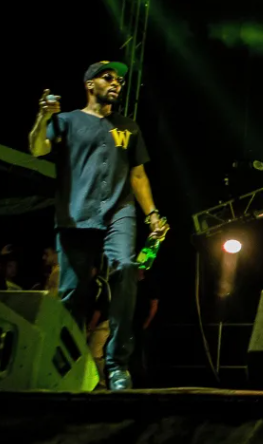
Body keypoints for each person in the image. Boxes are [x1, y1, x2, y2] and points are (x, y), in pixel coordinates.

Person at [28, 61, 165, 391]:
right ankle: (70, 364)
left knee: (126, 268)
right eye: (108, 78)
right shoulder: (67, 121)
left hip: (119, 211)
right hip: (75, 214)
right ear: (90, 84)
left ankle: (117, 365)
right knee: (72, 293)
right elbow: (37, 149)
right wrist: (43, 117)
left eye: (119, 80)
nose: (116, 83)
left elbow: (138, 175)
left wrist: (152, 214)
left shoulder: (128, 127)